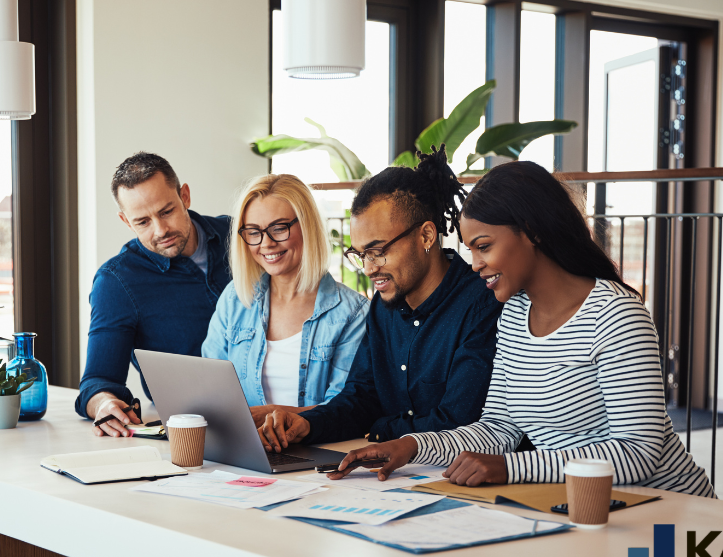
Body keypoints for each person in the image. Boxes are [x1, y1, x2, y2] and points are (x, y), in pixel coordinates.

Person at [330, 160, 715, 498]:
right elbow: (499, 428)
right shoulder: (515, 314)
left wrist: (511, 468)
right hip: (583, 503)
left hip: (668, 506)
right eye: (470, 249)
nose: (475, 264)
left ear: (531, 232)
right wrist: (412, 446)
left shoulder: (616, 315)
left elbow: (639, 453)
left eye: (483, 246)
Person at [258, 147, 501, 451]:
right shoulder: (382, 308)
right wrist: (308, 424)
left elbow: (457, 422)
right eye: (361, 254)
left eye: (378, 252)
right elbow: (361, 398)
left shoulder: (482, 305)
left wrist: (382, 427)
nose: (370, 268)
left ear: (426, 236)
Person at [76, 152, 231, 437]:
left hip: (283, 413)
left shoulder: (242, 236)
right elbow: (98, 380)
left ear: (184, 196)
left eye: (166, 211)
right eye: (143, 222)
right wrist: (104, 403)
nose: (161, 230)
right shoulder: (117, 281)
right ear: (125, 220)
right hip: (194, 430)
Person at [201, 175, 369, 424]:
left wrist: (270, 414)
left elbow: (343, 407)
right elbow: (209, 386)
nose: (266, 243)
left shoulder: (353, 312)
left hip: (316, 451)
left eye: (279, 228)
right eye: (254, 232)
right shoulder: (235, 300)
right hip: (243, 449)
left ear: (307, 226)